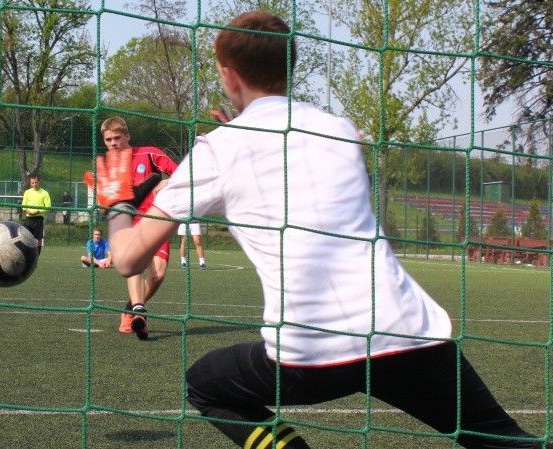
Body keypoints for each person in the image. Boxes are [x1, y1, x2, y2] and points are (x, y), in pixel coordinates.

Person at [87, 11, 552, 449]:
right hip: (408, 332)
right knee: (505, 441)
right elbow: (290, 164)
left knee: (205, 385)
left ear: (228, 76)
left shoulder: (217, 151)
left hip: (311, 353)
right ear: (290, 66)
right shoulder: (340, 129)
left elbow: (128, 258)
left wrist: (118, 201)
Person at [99, 116, 178, 340]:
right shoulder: (109, 168)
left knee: (158, 275)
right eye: (108, 140)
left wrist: (165, 183)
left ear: (127, 136)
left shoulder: (149, 153)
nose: (113, 143)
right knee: (135, 266)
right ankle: (137, 311)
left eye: (117, 138)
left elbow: (182, 173)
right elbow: (107, 204)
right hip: (129, 223)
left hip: (156, 219)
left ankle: (131, 306)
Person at [22, 174, 51, 255]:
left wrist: (38, 211)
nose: (34, 184)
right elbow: (23, 205)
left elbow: (48, 207)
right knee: (24, 237)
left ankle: (36, 258)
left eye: (36, 182)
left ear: (39, 182)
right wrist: (26, 210)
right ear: (30, 183)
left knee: (38, 239)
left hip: (38, 219)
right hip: (28, 219)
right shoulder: (27, 192)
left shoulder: (44, 193)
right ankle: (26, 256)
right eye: (32, 183)